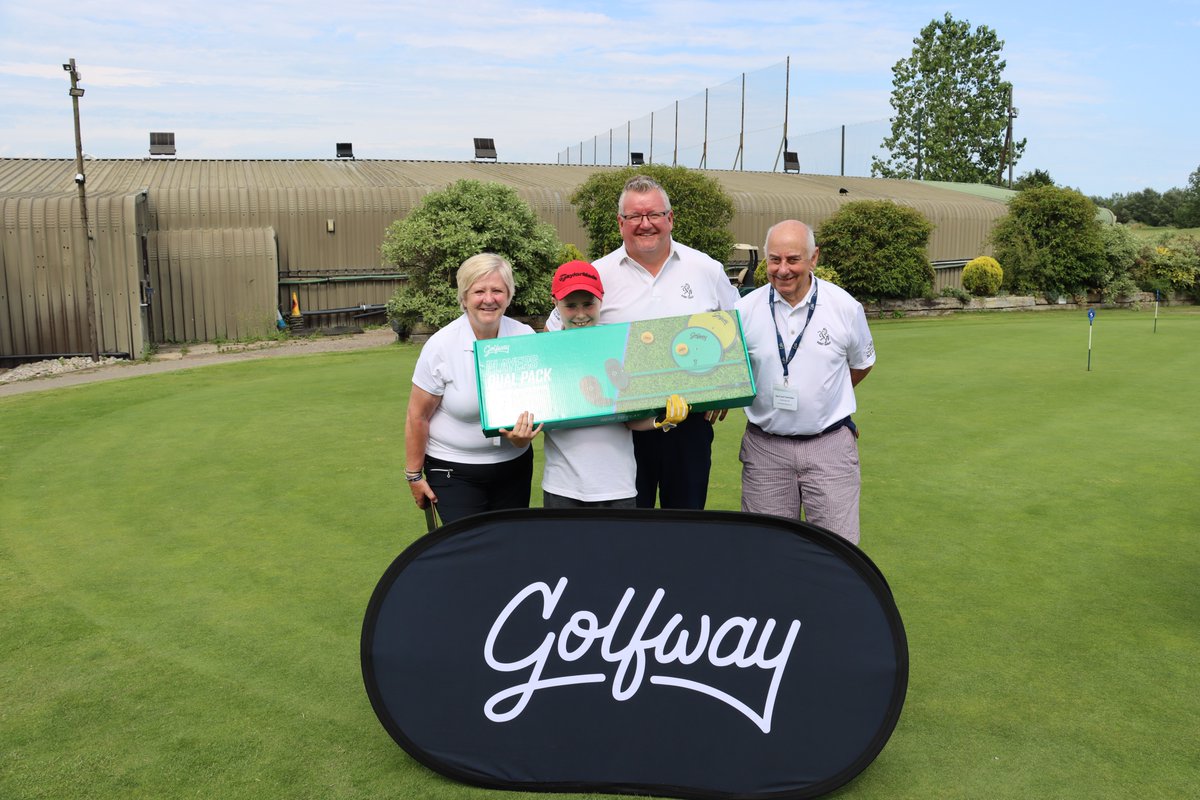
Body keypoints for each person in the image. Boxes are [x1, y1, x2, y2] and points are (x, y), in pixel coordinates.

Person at [548, 175, 739, 509]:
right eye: (634, 217)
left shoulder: (706, 268)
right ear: (621, 223)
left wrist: (727, 384)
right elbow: (557, 339)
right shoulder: (598, 274)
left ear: (670, 218)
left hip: (690, 423)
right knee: (633, 531)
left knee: (686, 525)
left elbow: (737, 328)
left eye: (653, 214)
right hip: (624, 430)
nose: (645, 224)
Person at [734, 220, 875, 544]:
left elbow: (862, 364)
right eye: (774, 259)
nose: (783, 269)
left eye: (793, 259)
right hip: (765, 449)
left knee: (837, 554)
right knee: (765, 552)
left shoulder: (844, 308)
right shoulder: (743, 310)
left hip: (829, 448)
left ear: (814, 258)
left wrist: (823, 396)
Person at [509, 260, 688, 508]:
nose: (581, 314)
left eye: (588, 304)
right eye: (571, 306)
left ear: (601, 299)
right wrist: (520, 435)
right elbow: (530, 418)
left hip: (618, 487)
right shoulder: (543, 353)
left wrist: (662, 419)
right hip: (561, 487)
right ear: (555, 303)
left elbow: (628, 417)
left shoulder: (619, 346)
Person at [404, 253, 541, 524]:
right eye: (479, 291)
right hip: (453, 471)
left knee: (510, 549)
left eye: (497, 291)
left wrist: (523, 437)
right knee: (469, 555)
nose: (489, 299)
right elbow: (417, 416)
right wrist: (414, 476)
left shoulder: (525, 337)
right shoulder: (441, 345)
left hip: (513, 468)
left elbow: (537, 404)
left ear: (509, 295)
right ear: (464, 298)